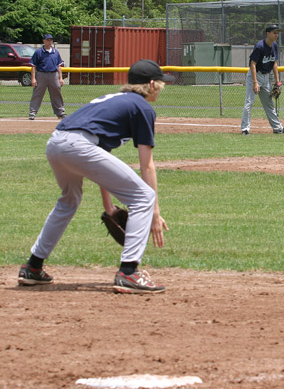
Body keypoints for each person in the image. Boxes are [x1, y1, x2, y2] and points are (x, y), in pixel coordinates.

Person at [18, 59, 174, 294]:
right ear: (151, 84)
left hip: (57, 142)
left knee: (68, 201)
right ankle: (129, 272)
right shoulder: (142, 108)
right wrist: (154, 212)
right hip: (79, 146)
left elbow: (101, 157)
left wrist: (108, 207)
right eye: (161, 83)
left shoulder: (114, 100)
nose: (162, 88)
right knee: (143, 197)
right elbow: (147, 165)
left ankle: (33, 266)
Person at [240, 24, 284, 135]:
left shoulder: (275, 45)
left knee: (269, 104)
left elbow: (274, 63)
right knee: (249, 102)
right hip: (255, 76)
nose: (276, 35)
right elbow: (252, 64)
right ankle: (245, 129)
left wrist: (277, 81)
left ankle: (277, 128)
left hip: (266, 77)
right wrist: (255, 82)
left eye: (277, 33)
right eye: (274, 33)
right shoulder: (260, 46)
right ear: (268, 33)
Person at [28, 33, 67, 120]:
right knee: (37, 94)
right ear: (44, 41)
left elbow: (59, 66)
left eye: (50, 40)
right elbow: (33, 66)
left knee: (57, 94)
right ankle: (32, 113)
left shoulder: (55, 52)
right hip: (41, 74)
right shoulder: (38, 52)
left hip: (54, 75)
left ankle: (60, 113)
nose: (49, 42)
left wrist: (61, 78)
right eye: (47, 40)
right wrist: (33, 79)